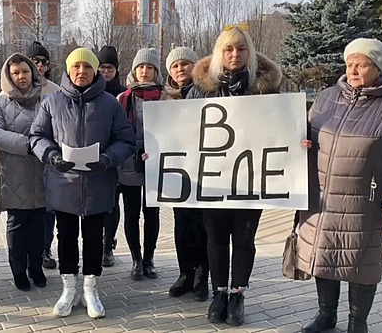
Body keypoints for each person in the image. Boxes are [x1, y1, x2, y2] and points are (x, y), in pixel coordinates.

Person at [298, 38, 382, 333]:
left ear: (378, 67)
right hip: (321, 197)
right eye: (350, 63)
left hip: (365, 201)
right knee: (324, 254)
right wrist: (302, 143)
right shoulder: (327, 97)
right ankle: (326, 314)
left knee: (362, 263)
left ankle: (358, 322)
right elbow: (305, 134)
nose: (353, 70)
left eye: (362, 64)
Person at [187, 25, 282, 326]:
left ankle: (238, 293)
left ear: (249, 53)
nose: (234, 54)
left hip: (251, 178)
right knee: (215, 238)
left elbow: (283, 127)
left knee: (243, 238)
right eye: (228, 49)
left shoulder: (265, 88)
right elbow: (184, 130)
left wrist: (297, 142)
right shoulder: (199, 89)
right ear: (219, 52)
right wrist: (159, 154)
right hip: (212, 180)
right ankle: (219, 292)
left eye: (241, 49)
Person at [30, 47, 135, 318]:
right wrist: (51, 156)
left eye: (87, 67)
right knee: (65, 236)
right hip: (63, 181)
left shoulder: (110, 103)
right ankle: (68, 289)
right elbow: (37, 136)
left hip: (98, 182)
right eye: (76, 67)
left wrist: (107, 159)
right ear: (68, 70)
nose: (81, 72)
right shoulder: (52, 102)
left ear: (95, 70)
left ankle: (90, 288)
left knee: (93, 238)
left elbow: (126, 140)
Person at [0, 53, 47, 291]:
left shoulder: (46, 100)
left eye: (25, 71)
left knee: (40, 227)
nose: (21, 76)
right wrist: (28, 144)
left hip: (42, 174)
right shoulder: (0, 102)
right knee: (18, 226)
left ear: (33, 73)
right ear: (9, 76)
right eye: (16, 73)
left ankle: (37, 267)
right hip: (14, 175)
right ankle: (19, 271)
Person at [162, 47, 209, 301]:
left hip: (205, 171)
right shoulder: (165, 98)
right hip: (178, 173)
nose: (181, 69)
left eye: (186, 63)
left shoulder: (208, 91)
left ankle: (202, 278)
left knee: (202, 227)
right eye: (175, 65)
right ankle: (185, 274)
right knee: (182, 226)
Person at [117, 48, 165, 281]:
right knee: (131, 212)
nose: (144, 72)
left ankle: (149, 258)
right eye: (140, 67)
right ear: (134, 70)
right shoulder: (123, 98)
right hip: (128, 162)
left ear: (156, 71)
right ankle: (136, 259)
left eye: (149, 68)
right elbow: (117, 132)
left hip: (156, 163)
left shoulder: (165, 97)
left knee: (152, 212)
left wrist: (155, 149)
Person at [29, 41, 60, 270]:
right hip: (24, 158)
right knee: (27, 212)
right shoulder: (14, 87)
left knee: (49, 209)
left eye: (42, 62)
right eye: (34, 61)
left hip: (50, 157)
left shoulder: (55, 90)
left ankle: (45, 249)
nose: (38, 65)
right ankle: (28, 253)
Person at [96, 45, 127, 267]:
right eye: (102, 67)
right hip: (96, 157)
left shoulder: (124, 94)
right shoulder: (92, 91)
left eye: (110, 67)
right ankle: (99, 244)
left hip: (118, 157)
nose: (106, 71)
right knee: (102, 204)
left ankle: (108, 245)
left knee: (114, 205)